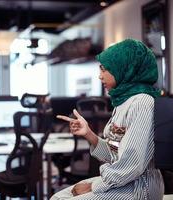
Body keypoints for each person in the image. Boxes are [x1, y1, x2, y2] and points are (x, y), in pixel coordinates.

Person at [51, 39, 164, 200]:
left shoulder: (142, 102)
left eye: (104, 70)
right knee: (58, 197)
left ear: (123, 69)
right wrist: (88, 133)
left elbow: (132, 164)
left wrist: (93, 186)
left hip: (140, 189)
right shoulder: (124, 102)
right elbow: (114, 156)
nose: (99, 76)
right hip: (125, 183)